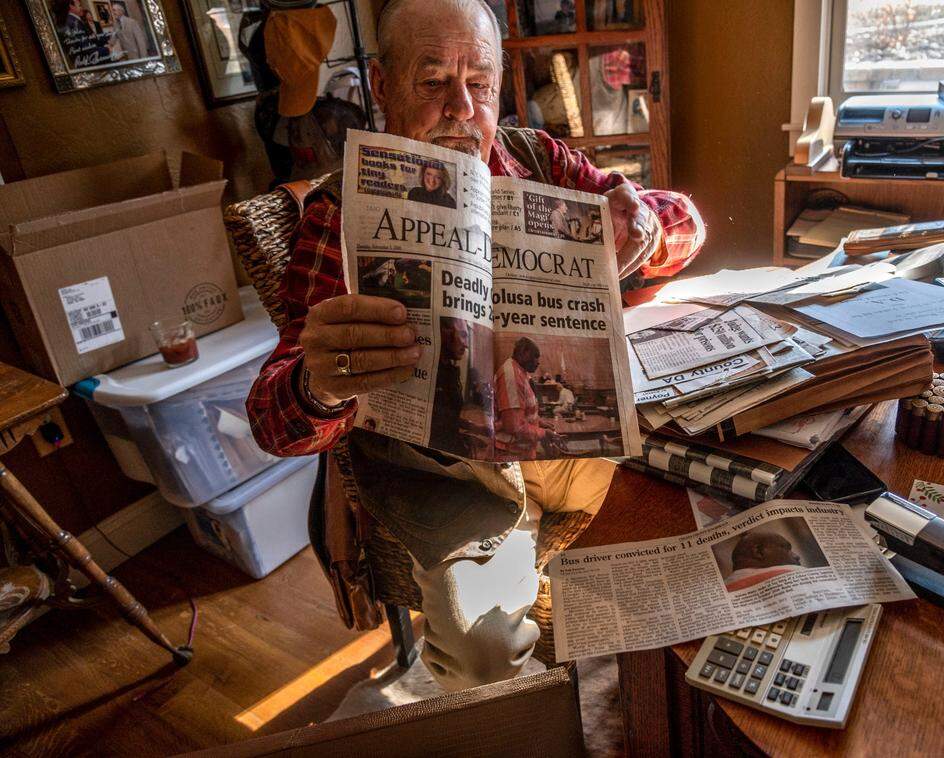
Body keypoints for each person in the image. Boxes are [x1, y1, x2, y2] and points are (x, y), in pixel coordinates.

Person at [247, 0, 705, 694]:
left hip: (583, 446)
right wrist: (319, 383)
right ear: (384, 80)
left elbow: (687, 223)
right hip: (459, 485)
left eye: (480, 82)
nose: (462, 108)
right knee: (482, 648)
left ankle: (645, 707)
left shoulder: (537, 159)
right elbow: (270, 418)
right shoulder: (341, 213)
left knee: (722, 519)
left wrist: (641, 222)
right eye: (432, 83)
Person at [493, 338, 560, 460]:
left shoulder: (520, 372)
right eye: (535, 356)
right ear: (523, 353)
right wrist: (543, 433)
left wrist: (539, 422)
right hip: (511, 455)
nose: (538, 362)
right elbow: (514, 426)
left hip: (520, 452)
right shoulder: (511, 375)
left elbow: (520, 412)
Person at [428, 317, 473, 454]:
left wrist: (476, 428)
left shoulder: (450, 370)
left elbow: (450, 417)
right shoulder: (432, 371)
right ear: (445, 332)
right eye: (464, 335)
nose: (466, 345)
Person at [722, 531, 803, 592]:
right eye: (787, 549)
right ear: (759, 551)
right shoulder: (791, 573)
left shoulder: (723, 588)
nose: (797, 556)